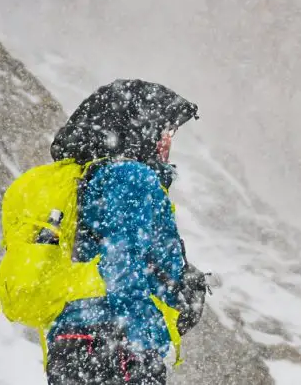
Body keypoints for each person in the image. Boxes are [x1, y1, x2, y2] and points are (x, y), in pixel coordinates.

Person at [44, 79, 203, 385]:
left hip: (80, 342)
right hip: (115, 346)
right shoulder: (130, 176)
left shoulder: (92, 177)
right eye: (165, 131)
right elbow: (122, 265)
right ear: (141, 126)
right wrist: (145, 340)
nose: (167, 142)